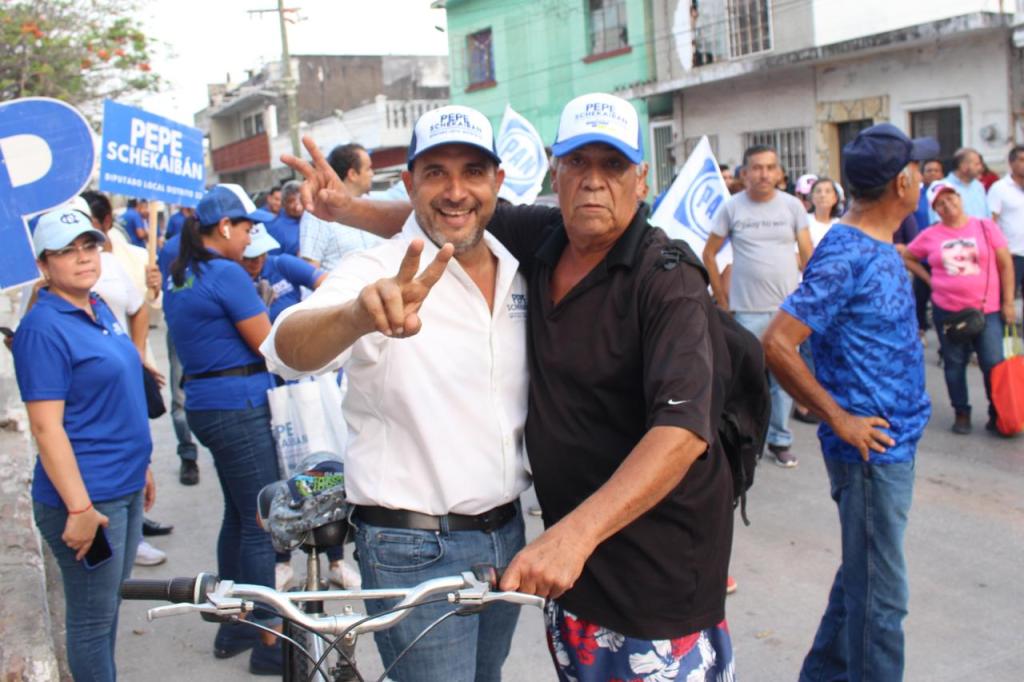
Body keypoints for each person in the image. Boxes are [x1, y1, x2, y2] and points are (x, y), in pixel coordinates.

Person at [282, 93, 737, 680]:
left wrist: (570, 538)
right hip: (555, 570)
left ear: (641, 177)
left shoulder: (665, 277)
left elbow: (681, 433)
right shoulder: (543, 239)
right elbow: (442, 217)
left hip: (647, 567)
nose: (594, 183)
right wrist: (346, 223)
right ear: (556, 171)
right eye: (579, 164)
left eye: (613, 166)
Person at [265, 105, 529, 682]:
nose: (456, 191)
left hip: (507, 537)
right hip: (414, 548)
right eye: (435, 172)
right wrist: (357, 316)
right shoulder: (378, 267)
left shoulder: (520, 268)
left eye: (473, 172)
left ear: (497, 183)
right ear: (408, 184)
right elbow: (286, 349)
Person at [762, 122, 938, 682]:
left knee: (861, 581)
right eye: (918, 170)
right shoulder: (848, 252)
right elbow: (778, 342)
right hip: (870, 458)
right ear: (904, 182)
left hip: (894, 448)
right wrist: (840, 419)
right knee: (882, 604)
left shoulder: (878, 244)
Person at [12, 207, 156, 681]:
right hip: (89, 501)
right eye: (66, 251)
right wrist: (78, 508)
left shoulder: (96, 308)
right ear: (43, 265)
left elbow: (121, 397)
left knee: (108, 608)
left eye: (89, 246)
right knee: (93, 622)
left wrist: (144, 467)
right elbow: (46, 428)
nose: (82, 258)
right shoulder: (43, 327)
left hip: (124, 486)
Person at [161, 185, 283, 674]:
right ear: (224, 228)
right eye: (248, 228)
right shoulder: (226, 273)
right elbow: (268, 342)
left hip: (209, 405)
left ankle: (232, 625)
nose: (252, 236)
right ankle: (269, 643)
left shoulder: (182, 274)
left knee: (237, 516)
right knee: (261, 524)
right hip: (238, 405)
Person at [703, 144, 813, 467]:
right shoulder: (731, 208)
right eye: (756, 167)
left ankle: (780, 440)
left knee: (783, 380)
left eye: (770, 167)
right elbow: (709, 253)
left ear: (779, 173)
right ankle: (743, 439)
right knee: (744, 379)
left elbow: (807, 255)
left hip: (786, 313)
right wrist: (723, 301)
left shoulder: (793, 207)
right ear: (745, 173)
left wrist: (809, 301)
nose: (763, 174)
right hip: (745, 312)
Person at [904, 181, 1016, 435]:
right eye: (940, 203)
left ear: (960, 198)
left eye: (951, 198)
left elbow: (1006, 264)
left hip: (987, 309)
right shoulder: (931, 235)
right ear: (935, 210)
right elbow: (908, 256)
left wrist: (1008, 302)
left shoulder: (985, 227)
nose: (948, 205)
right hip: (948, 310)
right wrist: (929, 279)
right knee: (954, 364)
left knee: (993, 363)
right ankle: (961, 412)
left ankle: (997, 413)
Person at [300, 143, 384, 271]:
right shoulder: (318, 212)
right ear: (352, 174)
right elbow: (309, 269)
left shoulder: (373, 204)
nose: (372, 173)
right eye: (368, 169)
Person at [987, 145, 1024, 300]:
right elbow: (991, 222)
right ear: (1011, 163)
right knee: (1006, 299)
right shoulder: (999, 188)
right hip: (1011, 255)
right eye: (1022, 160)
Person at [932, 147, 989, 222]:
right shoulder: (942, 188)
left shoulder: (978, 186)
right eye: (977, 164)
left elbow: (987, 217)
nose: (981, 168)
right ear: (963, 167)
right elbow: (938, 222)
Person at [266, 181, 303, 256]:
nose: (297, 205)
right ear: (284, 204)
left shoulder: (313, 219)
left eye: (301, 199)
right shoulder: (276, 228)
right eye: (292, 201)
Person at [806, 177, 841, 248]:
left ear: (835, 198)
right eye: (818, 191)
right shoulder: (804, 221)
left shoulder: (840, 224)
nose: (823, 195)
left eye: (828, 191)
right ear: (812, 197)